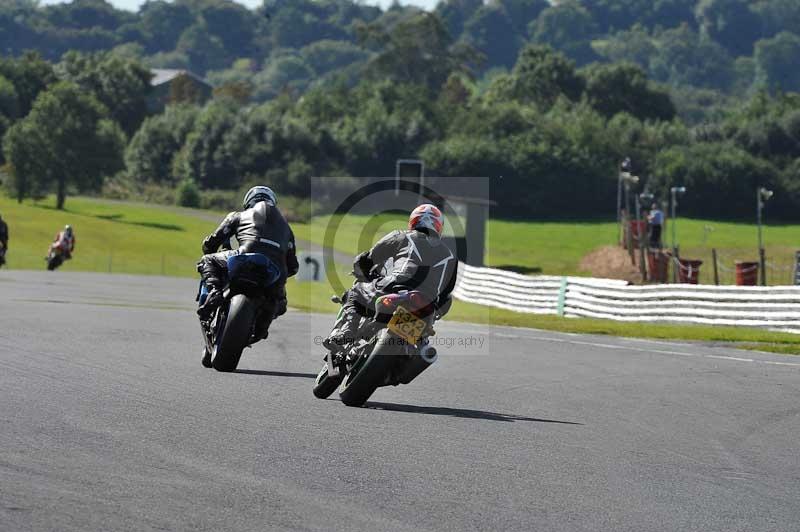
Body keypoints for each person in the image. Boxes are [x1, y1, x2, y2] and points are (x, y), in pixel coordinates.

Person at [323, 203, 459, 355]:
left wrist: (363, 271)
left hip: (395, 288)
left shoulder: (401, 236)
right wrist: (434, 313)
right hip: (426, 306)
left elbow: (369, 259)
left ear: (414, 221)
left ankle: (346, 334)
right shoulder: (451, 256)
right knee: (424, 342)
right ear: (439, 226)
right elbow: (447, 292)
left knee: (356, 292)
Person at [196, 186, 299, 324]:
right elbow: (293, 267)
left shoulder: (237, 216)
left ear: (248, 202)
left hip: (244, 256)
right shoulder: (287, 228)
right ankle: (262, 323)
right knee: (280, 304)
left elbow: (210, 244)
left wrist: (211, 251)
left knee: (206, 260)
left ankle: (214, 291)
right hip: (274, 270)